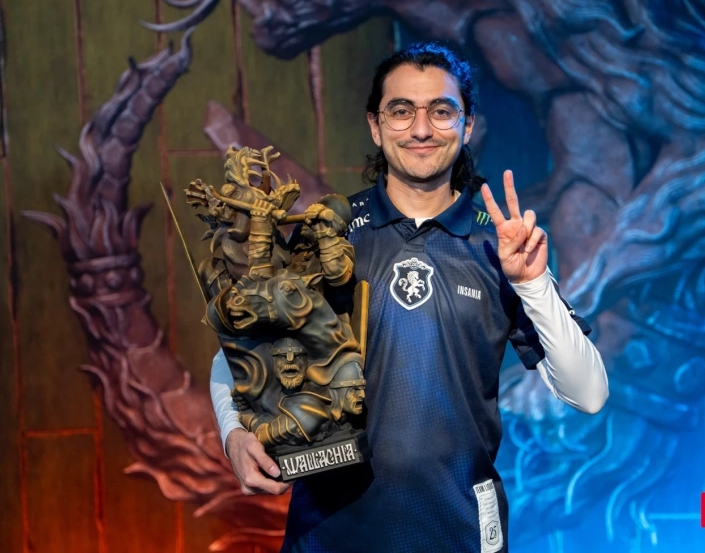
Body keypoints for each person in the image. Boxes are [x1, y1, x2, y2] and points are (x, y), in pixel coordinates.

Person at [209, 41, 609, 552]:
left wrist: (531, 283)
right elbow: (238, 354)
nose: (421, 129)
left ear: (467, 125)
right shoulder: (324, 234)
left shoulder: (502, 246)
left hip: (459, 534)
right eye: (401, 111)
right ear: (375, 127)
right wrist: (234, 433)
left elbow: (589, 393)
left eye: (441, 111)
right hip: (330, 536)